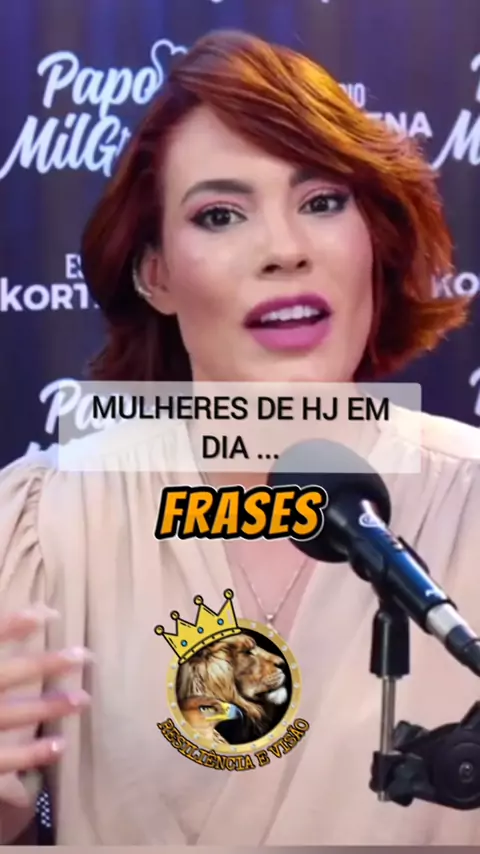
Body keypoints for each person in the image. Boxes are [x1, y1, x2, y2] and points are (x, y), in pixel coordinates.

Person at [0, 28, 479, 846]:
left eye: (321, 202)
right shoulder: (48, 522)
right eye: (219, 215)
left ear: (373, 240)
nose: (284, 251)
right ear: (155, 273)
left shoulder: (470, 497)